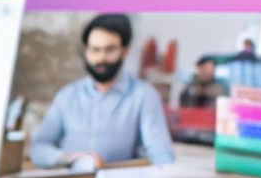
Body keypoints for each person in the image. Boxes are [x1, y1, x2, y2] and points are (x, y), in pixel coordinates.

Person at [29, 13, 175, 168]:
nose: (101, 58)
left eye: (110, 49)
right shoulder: (68, 95)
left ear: (124, 51)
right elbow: (38, 148)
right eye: (95, 50)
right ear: (86, 51)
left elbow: (161, 153)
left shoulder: (143, 95)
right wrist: (72, 158)